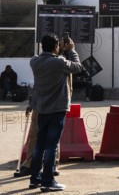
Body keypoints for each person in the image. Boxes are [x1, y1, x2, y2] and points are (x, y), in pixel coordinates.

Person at [28, 33, 83, 192]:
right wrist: (71, 50)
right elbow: (77, 67)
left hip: (42, 109)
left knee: (39, 145)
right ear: (55, 47)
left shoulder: (34, 62)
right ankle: (48, 181)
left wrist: (58, 50)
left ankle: (35, 179)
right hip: (57, 110)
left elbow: (49, 59)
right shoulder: (59, 62)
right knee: (51, 146)